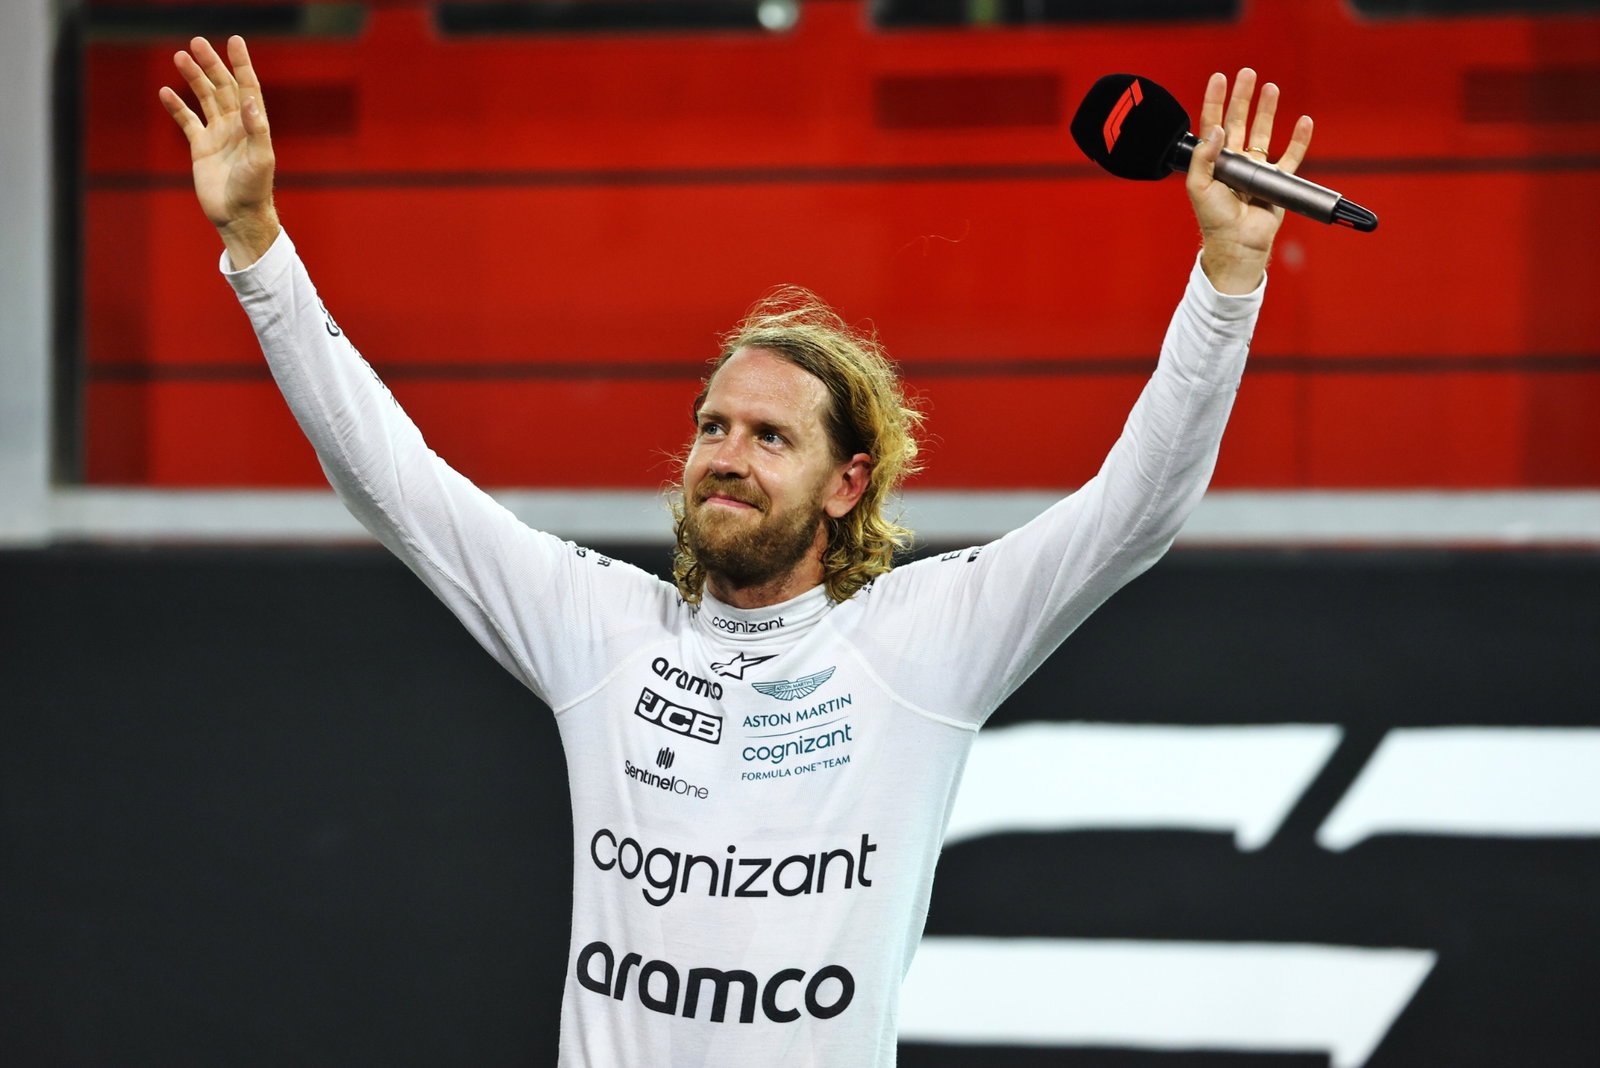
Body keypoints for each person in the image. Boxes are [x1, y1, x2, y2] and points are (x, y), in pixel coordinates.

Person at [161, 35, 1312, 1067]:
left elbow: (1137, 509)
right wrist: (257, 244)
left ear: (845, 483)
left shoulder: (919, 644)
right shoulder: (602, 632)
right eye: (712, 425)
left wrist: (1227, 281)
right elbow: (394, 481)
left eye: (770, 436)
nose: (725, 454)